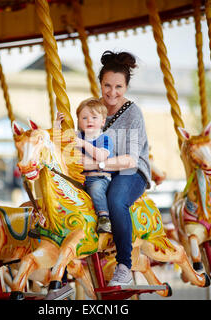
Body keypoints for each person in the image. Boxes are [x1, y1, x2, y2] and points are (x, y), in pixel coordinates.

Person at [81, 50, 152, 286]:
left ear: (126, 87)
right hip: (100, 170)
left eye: (118, 87)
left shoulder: (133, 113)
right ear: (100, 84)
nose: (112, 92)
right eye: (107, 86)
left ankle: (124, 265)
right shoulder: (94, 109)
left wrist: (97, 164)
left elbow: (131, 160)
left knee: (115, 199)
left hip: (132, 171)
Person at [55, 97, 114, 233]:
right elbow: (59, 143)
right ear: (79, 121)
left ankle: (104, 218)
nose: (89, 121)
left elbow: (100, 156)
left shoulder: (104, 138)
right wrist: (57, 124)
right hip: (79, 178)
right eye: (85, 118)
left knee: (96, 190)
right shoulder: (78, 136)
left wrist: (83, 144)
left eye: (94, 117)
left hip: (98, 177)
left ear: (102, 121)